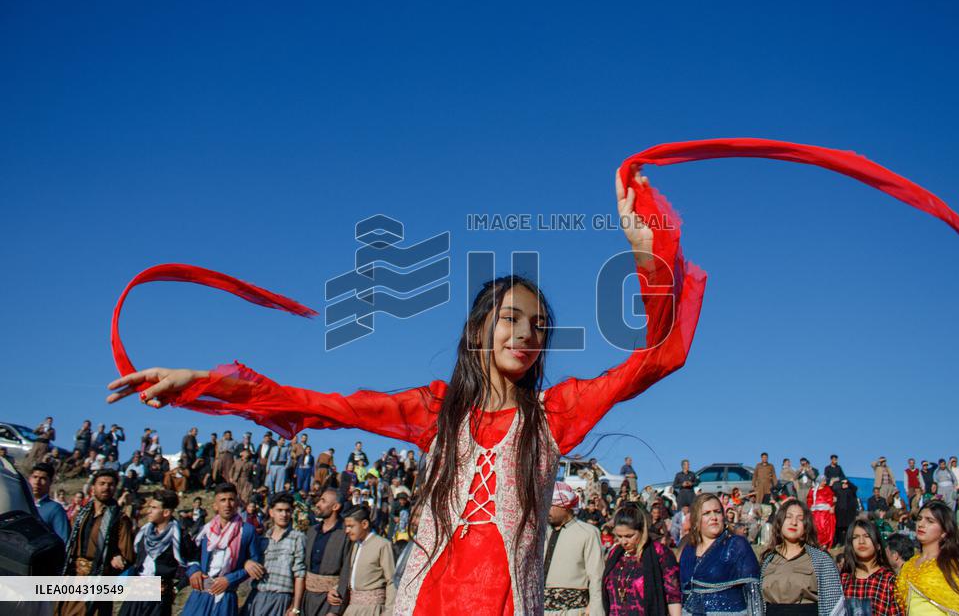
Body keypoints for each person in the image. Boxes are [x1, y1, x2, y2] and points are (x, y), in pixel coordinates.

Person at [108, 168, 706, 615]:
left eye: (538, 326)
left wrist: (644, 258)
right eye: (509, 318)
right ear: (478, 329)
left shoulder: (556, 412)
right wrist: (202, 383)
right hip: (421, 601)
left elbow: (655, 359)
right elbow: (322, 407)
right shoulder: (436, 410)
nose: (525, 333)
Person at [57, 469, 136, 616]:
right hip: (72, 577)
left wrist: (114, 560)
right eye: (102, 483)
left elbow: (128, 556)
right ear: (94, 487)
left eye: (111, 484)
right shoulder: (81, 515)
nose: (106, 487)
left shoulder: (119, 519)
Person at [181, 483, 261, 616]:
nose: (227, 504)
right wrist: (194, 571)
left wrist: (230, 579)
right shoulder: (206, 530)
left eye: (231, 499)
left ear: (237, 503)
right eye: (223, 500)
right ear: (215, 505)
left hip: (226, 594)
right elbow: (193, 557)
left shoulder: (247, 531)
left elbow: (255, 562)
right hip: (201, 592)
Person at [679, 494, 762, 616]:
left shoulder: (737, 544)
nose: (713, 517)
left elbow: (754, 594)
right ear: (697, 520)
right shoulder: (688, 550)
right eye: (706, 513)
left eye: (717, 512)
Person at [760, 499, 844, 616]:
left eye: (800, 519)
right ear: (780, 522)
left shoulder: (821, 560)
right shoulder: (768, 560)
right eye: (788, 517)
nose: (794, 522)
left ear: (806, 526)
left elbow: (835, 605)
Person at [895, 501, 959, 616]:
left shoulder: (951, 566)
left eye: (930, 521)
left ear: (944, 532)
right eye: (919, 518)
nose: (921, 524)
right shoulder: (908, 565)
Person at [119, 489, 191, 616]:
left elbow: (194, 564)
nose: (148, 511)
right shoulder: (143, 533)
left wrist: (176, 587)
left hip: (158, 599)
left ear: (166, 512)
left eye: (153, 508)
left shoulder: (180, 536)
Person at [602, 502, 682, 616]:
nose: (623, 541)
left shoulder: (660, 553)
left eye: (629, 536)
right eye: (619, 536)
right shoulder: (615, 554)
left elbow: (673, 596)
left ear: (641, 531)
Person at [543, 482, 604, 616]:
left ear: (565, 506)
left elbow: (596, 576)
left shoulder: (588, 532)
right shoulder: (541, 534)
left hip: (573, 611)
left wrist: (595, 609)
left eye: (551, 505)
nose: (547, 509)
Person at [242, 492, 307, 616]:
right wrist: (247, 562)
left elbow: (300, 574)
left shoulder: (298, 538)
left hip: (281, 598)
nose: (284, 514)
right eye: (279, 510)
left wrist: (295, 608)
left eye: (287, 510)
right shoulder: (262, 540)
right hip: (257, 596)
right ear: (271, 512)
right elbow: (245, 560)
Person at [331, 505, 395, 615]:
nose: (347, 530)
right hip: (352, 610)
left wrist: (388, 611)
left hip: (372, 610)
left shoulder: (382, 545)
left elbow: (392, 581)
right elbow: (351, 577)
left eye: (351, 526)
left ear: (364, 524)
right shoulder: (354, 545)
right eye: (346, 526)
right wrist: (336, 589)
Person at [303, 488, 351, 616]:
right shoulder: (312, 531)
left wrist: (335, 611)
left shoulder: (345, 533)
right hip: (307, 598)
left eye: (323, 501)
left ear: (335, 506)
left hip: (330, 600)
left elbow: (346, 571)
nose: (318, 504)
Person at [839, 518, 901, 616]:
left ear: (878, 545)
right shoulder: (842, 580)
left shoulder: (889, 580)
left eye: (867, 536)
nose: (861, 541)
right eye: (855, 537)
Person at [29, 462, 69, 543]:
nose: (37, 482)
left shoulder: (55, 509)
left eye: (43, 478)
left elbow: (63, 541)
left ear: (50, 482)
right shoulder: (19, 502)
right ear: (29, 479)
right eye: (35, 477)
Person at [807, 476, 836, 549]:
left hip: (825, 513)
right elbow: (809, 499)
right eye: (823, 481)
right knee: (816, 527)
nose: (825, 483)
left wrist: (831, 506)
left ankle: (824, 543)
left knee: (824, 527)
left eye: (825, 481)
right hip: (815, 513)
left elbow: (830, 498)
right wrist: (810, 507)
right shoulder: (813, 490)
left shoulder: (827, 489)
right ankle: (816, 543)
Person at [832, 478, 858, 548]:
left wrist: (848, 482)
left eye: (845, 483)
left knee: (849, 529)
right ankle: (840, 542)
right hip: (840, 513)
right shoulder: (838, 491)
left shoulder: (851, 490)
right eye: (843, 483)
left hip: (849, 513)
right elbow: (831, 489)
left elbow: (855, 488)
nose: (844, 485)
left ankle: (848, 543)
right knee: (839, 529)